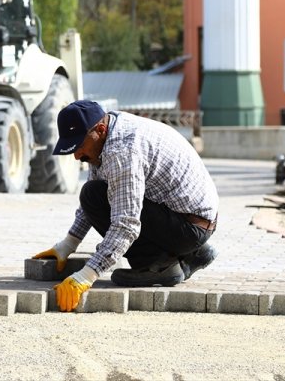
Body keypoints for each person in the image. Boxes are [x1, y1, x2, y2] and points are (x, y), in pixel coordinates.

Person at [33, 100, 219, 312]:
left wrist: (87, 275)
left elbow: (126, 224)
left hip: (189, 228)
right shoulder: (111, 129)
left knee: (97, 198)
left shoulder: (122, 151)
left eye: (79, 146)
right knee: (94, 192)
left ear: (100, 130)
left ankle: (159, 266)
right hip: (191, 220)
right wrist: (68, 244)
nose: (77, 156)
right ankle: (193, 253)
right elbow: (96, 197)